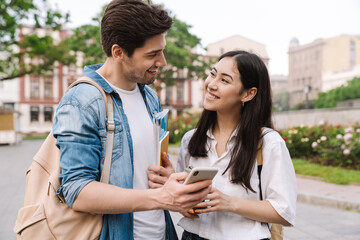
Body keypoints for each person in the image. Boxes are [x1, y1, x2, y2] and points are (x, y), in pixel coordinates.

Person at [52, 0, 212, 239]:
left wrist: (169, 180)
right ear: (118, 53)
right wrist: (161, 198)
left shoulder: (148, 95)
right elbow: (77, 190)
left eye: (162, 50)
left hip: (161, 232)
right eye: (153, 54)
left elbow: (141, 167)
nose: (163, 62)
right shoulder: (82, 100)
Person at [148, 50, 297, 240]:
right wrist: (178, 189)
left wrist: (228, 203)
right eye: (212, 74)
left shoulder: (268, 142)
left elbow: (283, 211)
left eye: (224, 80)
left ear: (248, 94)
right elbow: (187, 209)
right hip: (192, 236)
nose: (211, 84)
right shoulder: (192, 139)